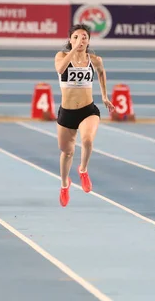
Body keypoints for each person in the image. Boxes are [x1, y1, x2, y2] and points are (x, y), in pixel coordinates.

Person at [54, 24, 115, 207]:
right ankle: (65, 185)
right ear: (70, 40)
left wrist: (104, 96)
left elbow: (102, 73)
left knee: (87, 140)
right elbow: (60, 69)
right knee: (67, 151)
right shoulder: (61, 56)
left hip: (88, 110)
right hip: (67, 112)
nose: (81, 40)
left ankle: (83, 170)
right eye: (76, 37)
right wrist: (73, 50)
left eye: (84, 37)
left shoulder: (94, 59)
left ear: (88, 40)